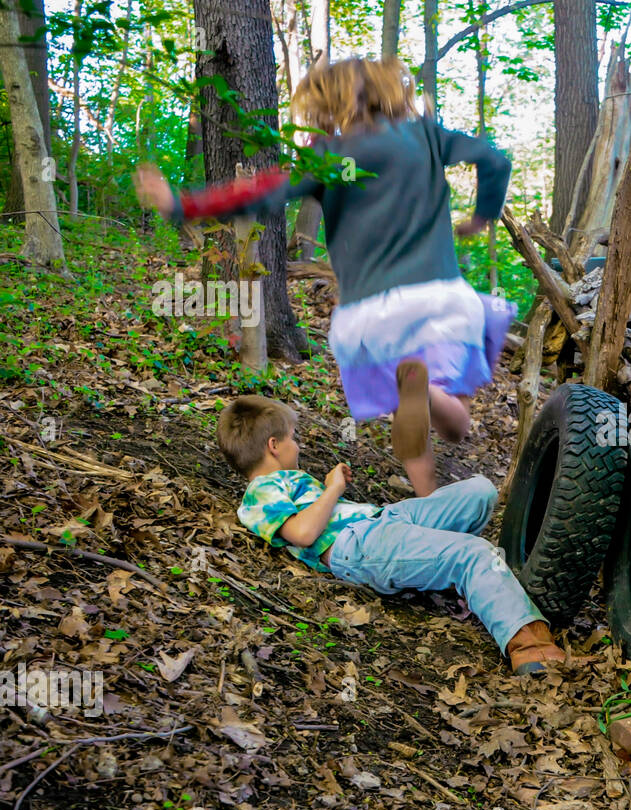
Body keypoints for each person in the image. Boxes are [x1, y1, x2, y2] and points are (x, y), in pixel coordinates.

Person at [134, 57, 515, 498]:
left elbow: (259, 191)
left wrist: (183, 204)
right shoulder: (424, 135)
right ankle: (431, 393)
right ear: (387, 91)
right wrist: (481, 216)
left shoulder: (328, 157)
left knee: (403, 415)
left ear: (326, 106)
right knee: (456, 422)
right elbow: (494, 160)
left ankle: (429, 499)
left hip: (368, 317)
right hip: (437, 298)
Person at [215, 393, 565, 676]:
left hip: (384, 521)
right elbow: (304, 533)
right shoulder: (259, 492)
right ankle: (532, 650)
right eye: (294, 438)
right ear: (274, 446)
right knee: (472, 552)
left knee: (479, 492)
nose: (299, 446)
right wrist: (332, 489)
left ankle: (452, 571)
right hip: (359, 544)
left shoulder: (287, 481)